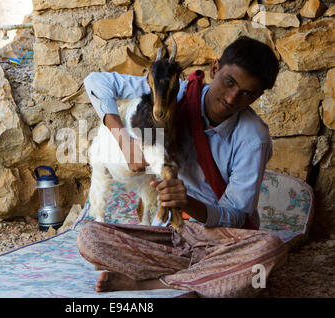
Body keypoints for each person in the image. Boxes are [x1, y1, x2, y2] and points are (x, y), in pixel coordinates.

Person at [77, 36, 287, 297]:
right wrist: (124, 141)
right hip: (170, 234)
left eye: (247, 93)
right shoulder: (173, 92)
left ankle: (157, 281)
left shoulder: (253, 137)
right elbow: (96, 82)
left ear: (258, 96)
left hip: (220, 240)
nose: (233, 98)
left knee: (270, 249)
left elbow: (236, 216)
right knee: (90, 237)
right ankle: (209, 276)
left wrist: (187, 202)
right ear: (214, 69)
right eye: (229, 82)